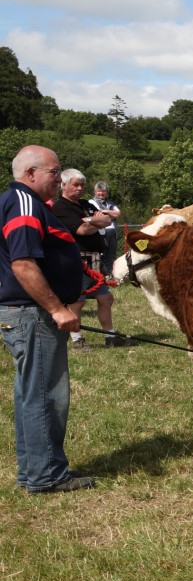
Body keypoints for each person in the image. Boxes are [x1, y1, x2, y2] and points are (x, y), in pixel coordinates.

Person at [1, 145, 94, 492]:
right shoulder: (23, 203)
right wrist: (56, 308)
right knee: (46, 396)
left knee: (32, 394)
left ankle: (35, 471)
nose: (59, 178)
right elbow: (23, 264)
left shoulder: (28, 203)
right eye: (54, 172)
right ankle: (47, 475)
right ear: (30, 174)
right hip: (34, 314)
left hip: (28, 313)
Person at [53, 169, 125, 350]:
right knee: (77, 301)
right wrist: (96, 221)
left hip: (95, 261)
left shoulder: (85, 204)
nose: (80, 188)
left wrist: (91, 220)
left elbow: (107, 220)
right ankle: (77, 339)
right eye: (75, 185)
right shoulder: (60, 208)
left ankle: (110, 335)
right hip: (77, 262)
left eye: (82, 185)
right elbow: (82, 230)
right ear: (63, 185)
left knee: (106, 299)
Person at [88, 181, 121, 277]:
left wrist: (105, 211)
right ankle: (100, 276)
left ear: (106, 192)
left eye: (103, 191)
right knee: (101, 254)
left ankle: (110, 275)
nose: (101, 193)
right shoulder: (91, 202)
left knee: (112, 254)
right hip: (100, 231)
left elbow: (118, 214)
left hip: (112, 231)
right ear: (95, 192)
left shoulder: (110, 203)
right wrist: (110, 213)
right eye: (99, 191)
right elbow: (98, 215)